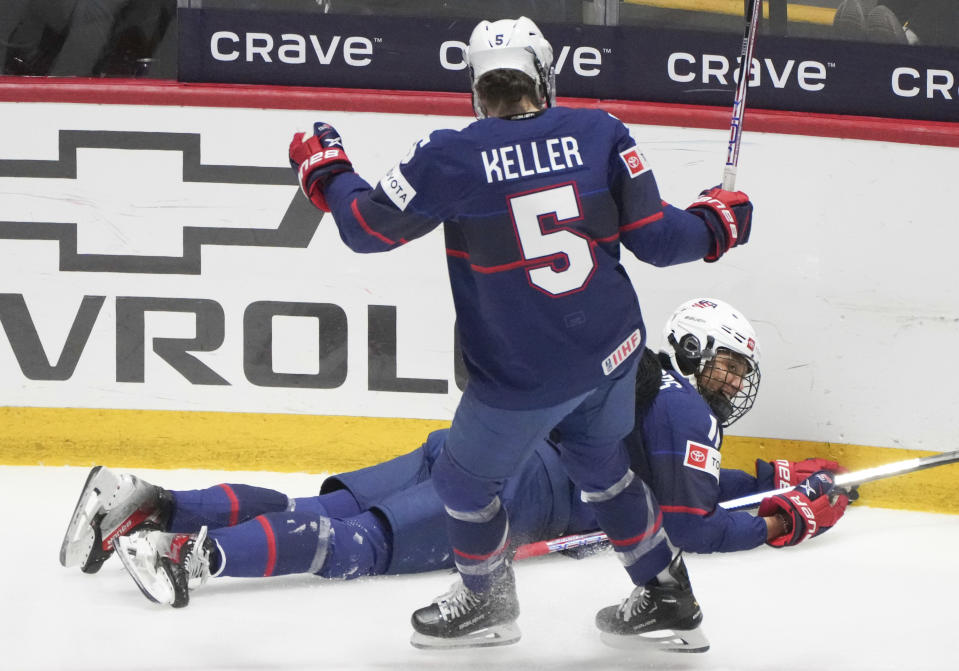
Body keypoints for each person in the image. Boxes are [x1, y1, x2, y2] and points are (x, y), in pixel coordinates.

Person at [285, 15, 753, 649]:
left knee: (461, 482)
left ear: (476, 88)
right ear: (545, 76)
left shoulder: (451, 155)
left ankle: (486, 602)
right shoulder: (600, 132)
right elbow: (661, 239)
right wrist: (716, 223)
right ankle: (668, 593)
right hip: (614, 353)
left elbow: (366, 230)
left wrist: (327, 171)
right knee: (602, 466)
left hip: (523, 376)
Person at [60, 298, 851, 650]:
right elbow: (688, 524)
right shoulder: (685, 408)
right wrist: (788, 519)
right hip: (512, 494)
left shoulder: (650, 383)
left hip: (471, 448)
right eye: (721, 364)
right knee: (358, 542)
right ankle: (188, 556)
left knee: (315, 499)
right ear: (688, 349)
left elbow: (687, 482)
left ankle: (158, 503)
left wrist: (774, 474)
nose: (726, 382)